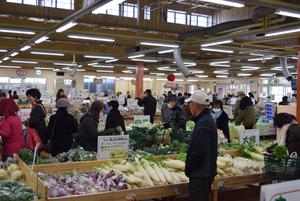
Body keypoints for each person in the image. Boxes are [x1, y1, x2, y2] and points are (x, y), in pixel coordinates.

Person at [184, 90, 218, 201]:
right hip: (204, 173)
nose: (189, 106)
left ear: (195, 106)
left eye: (190, 104)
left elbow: (200, 152)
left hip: (200, 175)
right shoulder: (206, 120)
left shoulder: (204, 123)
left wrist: (189, 168)